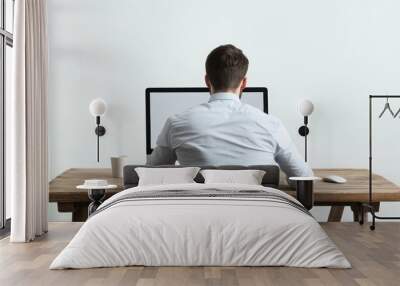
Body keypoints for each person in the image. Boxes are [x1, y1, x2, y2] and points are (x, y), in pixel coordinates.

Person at [149, 44, 313, 180]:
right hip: (257, 216)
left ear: (207, 81)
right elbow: (303, 178)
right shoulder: (271, 125)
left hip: (197, 215)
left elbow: (150, 176)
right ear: (244, 83)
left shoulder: (176, 123)